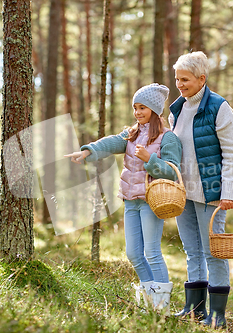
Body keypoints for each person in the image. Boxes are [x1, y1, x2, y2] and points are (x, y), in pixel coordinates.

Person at [65, 84, 182, 314]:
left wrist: (151, 159)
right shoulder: (132, 134)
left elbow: (173, 171)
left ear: (155, 109)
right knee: (133, 254)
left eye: (143, 108)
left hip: (152, 201)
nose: (138, 112)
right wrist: (87, 151)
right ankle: (151, 300)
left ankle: (162, 307)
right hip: (130, 201)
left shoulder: (167, 138)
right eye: (135, 108)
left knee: (152, 252)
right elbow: (109, 143)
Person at [169, 51, 233, 328]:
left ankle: (218, 314)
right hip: (182, 193)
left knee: (214, 252)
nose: (180, 84)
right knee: (192, 250)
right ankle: (195, 309)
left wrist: (228, 193)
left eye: (185, 79)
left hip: (211, 193)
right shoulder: (177, 109)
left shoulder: (219, 107)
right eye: (177, 79)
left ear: (202, 79)